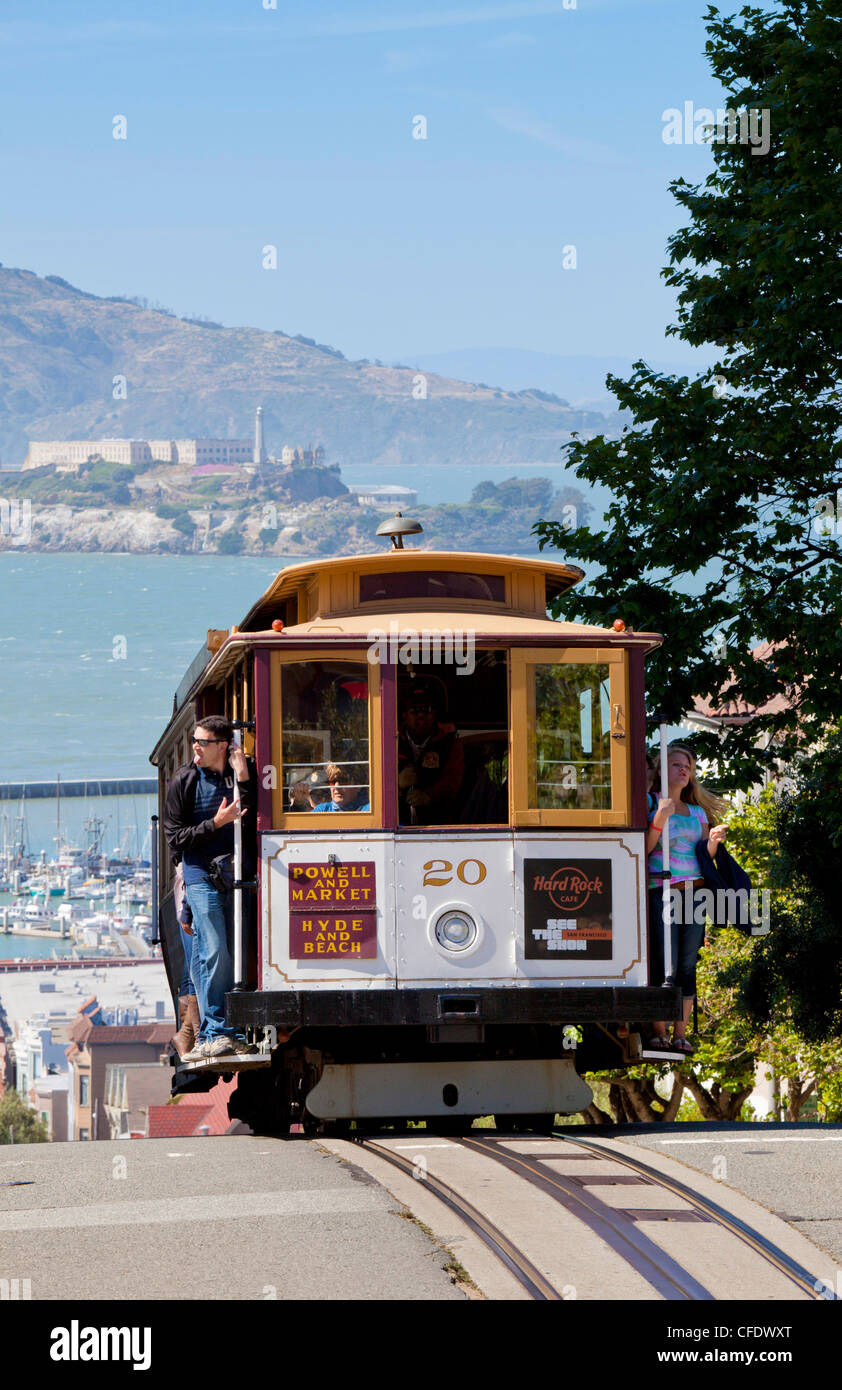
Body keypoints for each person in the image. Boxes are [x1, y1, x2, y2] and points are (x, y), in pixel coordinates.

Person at [163, 715, 256, 1061]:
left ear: (222, 746)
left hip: (235, 874)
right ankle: (217, 1029)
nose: (195, 748)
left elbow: (253, 817)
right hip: (199, 873)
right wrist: (215, 823)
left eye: (201, 742)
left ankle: (218, 1030)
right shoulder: (184, 782)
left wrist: (243, 776)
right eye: (193, 741)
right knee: (215, 949)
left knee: (230, 951)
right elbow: (175, 837)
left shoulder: (239, 773)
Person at [646, 742, 728, 1054]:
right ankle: (659, 1031)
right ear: (662, 770)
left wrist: (714, 843)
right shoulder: (651, 801)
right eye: (678, 764)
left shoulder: (697, 813)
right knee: (662, 960)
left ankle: (680, 1033)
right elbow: (646, 846)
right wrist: (660, 818)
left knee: (686, 964)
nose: (684, 770)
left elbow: (703, 856)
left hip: (694, 892)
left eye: (688, 767)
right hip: (662, 891)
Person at [397, 679, 465, 824]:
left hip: (438, 824)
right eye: (414, 710)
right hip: (395, 824)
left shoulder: (450, 744)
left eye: (426, 709)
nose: (421, 715)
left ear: (435, 714)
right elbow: (373, 780)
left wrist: (429, 796)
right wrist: (396, 783)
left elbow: (454, 781)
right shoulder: (390, 741)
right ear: (404, 715)